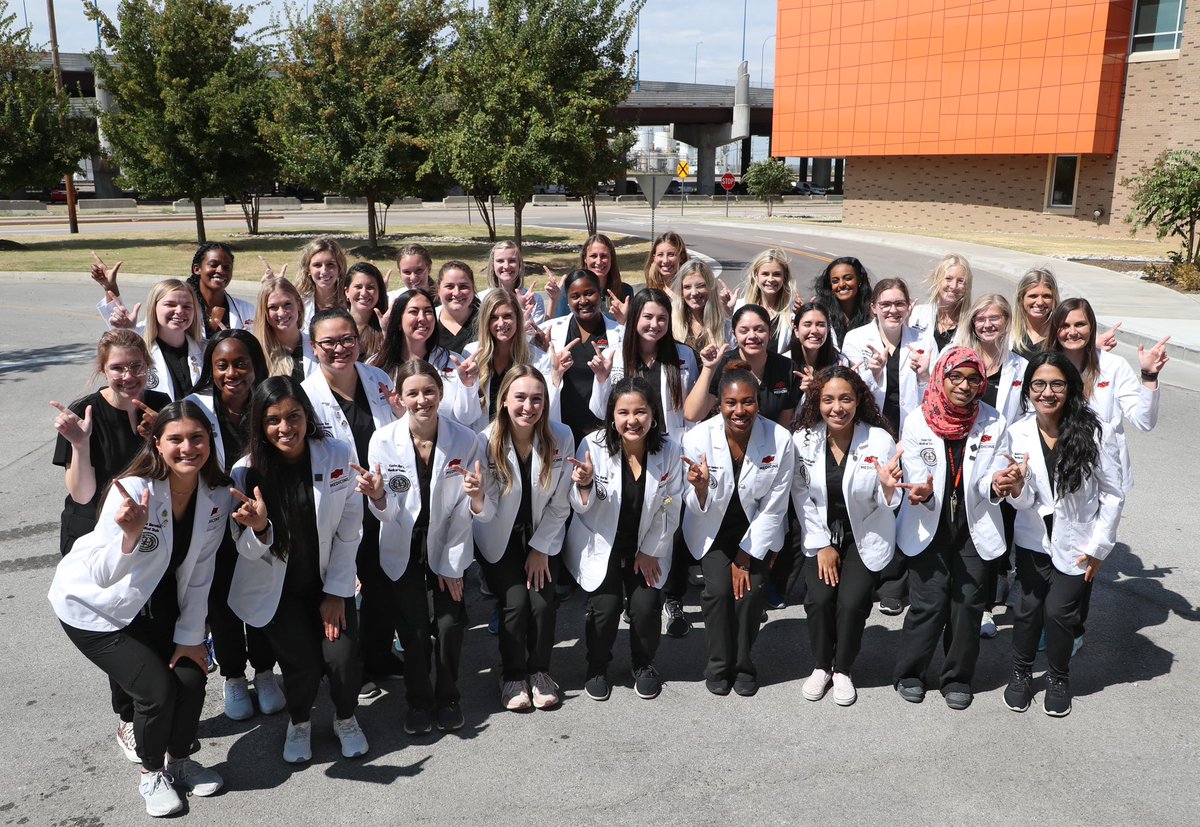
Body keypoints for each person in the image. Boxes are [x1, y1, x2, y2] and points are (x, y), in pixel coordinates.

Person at [49, 401, 232, 816]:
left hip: (156, 606)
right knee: (155, 690)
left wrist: (190, 638)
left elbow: (201, 570)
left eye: (197, 438)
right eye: (176, 439)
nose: (188, 447)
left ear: (210, 441)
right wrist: (129, 537)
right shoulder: (132, 489)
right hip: (96, 610)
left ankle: (178, 762)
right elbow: (100, 573)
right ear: (157, 443)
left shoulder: (216, 495)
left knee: (191, 677)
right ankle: (152, 773)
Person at [226, 377, 369, 763]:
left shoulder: (337, 454)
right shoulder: (245, 472)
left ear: (307, 415)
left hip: (327, 581)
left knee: (341, 657)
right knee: (301, 662)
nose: (285, 427)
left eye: (293, 416)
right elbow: (245, 549)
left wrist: (336, 592)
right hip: (279, 591)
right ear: (260, 425)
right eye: (273, 420)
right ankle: (300, 721)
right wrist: (260, 528)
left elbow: (349, 528)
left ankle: (345, 717)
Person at [50, 329, 172, 764]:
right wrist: (79, 444)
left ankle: (153, 705)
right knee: (117, 625)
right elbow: (82, 493)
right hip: (96, 539)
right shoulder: (84, 413)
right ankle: (127, 718)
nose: (128, 375)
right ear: (103, 369)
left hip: (149, 531)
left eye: (136, 366)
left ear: (148, 366)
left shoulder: (161, 407)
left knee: (152, 618)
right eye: (118, 367)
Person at [362, 360, 491, 734]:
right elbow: (387, 514)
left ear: (441, 392)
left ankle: (448, 696)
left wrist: (450, 566)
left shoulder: (465, 440)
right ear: (399, 398)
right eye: (413, 393)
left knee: (450, 624)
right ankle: (418, 700)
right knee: (414, 630)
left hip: (448, 540)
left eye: (429, 391)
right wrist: (378, 497)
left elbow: (465, 510)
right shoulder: (383, 440)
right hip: (402, 544)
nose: (422, 400)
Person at [892, 347, 1022, 710]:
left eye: (973, 379)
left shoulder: (993, 421)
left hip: (973, 524)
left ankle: (957, 677)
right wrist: (922, 492)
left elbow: (993, 471)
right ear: (941, 377)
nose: (964, 386)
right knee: (929, 604)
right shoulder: (919, 420)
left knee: (968, 606)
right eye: (956, 377)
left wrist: (996, 483)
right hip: (929, 523)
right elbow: (917, 473)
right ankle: (910, 673)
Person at [1003, 352, 1124, 717]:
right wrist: (1017, 487)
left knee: (1058, 613)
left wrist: (1100, 546)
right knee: (1027, 610)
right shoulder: (1017, 432)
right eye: (1039, 384)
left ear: (1070, 388)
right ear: (1028, 390)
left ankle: (1058, 677)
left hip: (1078, 542)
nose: (1047, 392)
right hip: (1033, 539)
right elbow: (1023, 502)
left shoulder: (1095, 431)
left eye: (1057, 384)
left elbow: (1113, 493)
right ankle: (1021, 673)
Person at [302, 309, 405, 698]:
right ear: (314, 347)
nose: (340, 348)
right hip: (337, 505)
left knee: (382, 585)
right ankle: (350, 667)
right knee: (343, 585)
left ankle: (379, 657)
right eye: (329, 342)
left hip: (381, 498)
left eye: (347, 339)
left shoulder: (378, 380)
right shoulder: (306, 397)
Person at [184, 330, 283, 721]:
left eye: (241, 363)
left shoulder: (268, 402)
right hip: (211, 525)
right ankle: (234, 677)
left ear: (256, 365)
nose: (232, 373)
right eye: (221, 365)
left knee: (259, 592)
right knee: (222, 603)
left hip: (260, 519)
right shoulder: (195, 408)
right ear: (210, 369)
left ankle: (265, 671)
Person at [566, 377, 685, 701]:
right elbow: (578, 506)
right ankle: (597, 666)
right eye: (624, 412)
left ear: (653, 414)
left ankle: (643, 663)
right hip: (602, 543)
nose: (632, 420)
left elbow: (671, 503)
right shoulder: (592, 446)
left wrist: (650, 551)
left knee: (646, 607)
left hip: (646, 544)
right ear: (612, 416)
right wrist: (585, 484)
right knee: (605, 608)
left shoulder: (670, 450)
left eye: (640, 411)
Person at [681, 362, 795, 697]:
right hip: (712, 530)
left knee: (750, 592)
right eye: (731, 403)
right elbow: (691, 503)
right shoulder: (697, 437)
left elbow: (775, 505)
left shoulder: (780, 439)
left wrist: (745, 558)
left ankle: (743, 665)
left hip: (756, 531)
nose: (739, 410)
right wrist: (701, 489)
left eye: (748, 402)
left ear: (758, 402)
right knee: (718, 592)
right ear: (720, 404)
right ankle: (719, 665)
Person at [792, 366, 902, 706]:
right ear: (817, 401)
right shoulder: (803, 439)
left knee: (852, 603)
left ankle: (842, 669)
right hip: (820, 533)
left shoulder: (878, 440)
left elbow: (891, 499)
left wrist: (888, 489)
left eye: (845, 399)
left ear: (858, 401)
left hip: (864, 533)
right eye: (828, 400)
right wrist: (822, 544)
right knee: (819, 600)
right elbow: (800, 495)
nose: (837, 408)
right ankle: (822, 665)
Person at [476, 366, 574, 710]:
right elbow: (486, 511)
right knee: (516, 603)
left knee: (543, 603)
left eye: (537, 399)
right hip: (499, 537)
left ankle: (540, 672)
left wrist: (540, 549)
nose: (528, 407)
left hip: (542, 533)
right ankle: (512, 674)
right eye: (520, 397)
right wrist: (476, 498)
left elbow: (561, 503)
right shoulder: (485, 441)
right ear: (504, 400)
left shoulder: (561, 436)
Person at [952, 294, 1029, 636]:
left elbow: (1028, 416)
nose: (987, 325)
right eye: (980, 319)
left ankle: (983, 605)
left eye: (994, 318)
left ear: (1007, 321)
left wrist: (1018, 460)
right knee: (964, 529)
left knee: (999, 530)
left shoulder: (1020, 367)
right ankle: (962, 597)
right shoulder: (958, 357)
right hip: (963, 457)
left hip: (1002, 459)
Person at [589, 288, 699, 438]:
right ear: (634, 317)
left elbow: (693, 408)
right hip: (630, 443)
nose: (654, 324)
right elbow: (601, 412)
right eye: (648, 317)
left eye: (662, 318)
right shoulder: (612, 356)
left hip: (672, 444)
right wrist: (602, 379)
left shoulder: (685, 354)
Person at [534, 269, 623, 444]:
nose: (583, 301)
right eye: (575, 296)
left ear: (600, 294)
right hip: (562, 428)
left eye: (589, 293)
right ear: (567, 300)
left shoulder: (619, 333)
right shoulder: (550, 331)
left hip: (603, 429)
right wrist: (544, 354)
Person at [372, 288, 479, 426]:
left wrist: (468, 386)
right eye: (413, 312)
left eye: (428, 311)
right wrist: (399, 414)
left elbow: (467, 418)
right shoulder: (376, 367)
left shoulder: (454, 363)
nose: (422, 318)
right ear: (398, 321)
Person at [684, 304, 802, 427]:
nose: (752, 336)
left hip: (768, 438)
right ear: (734, 335)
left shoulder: (786, 367)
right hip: (724, 437)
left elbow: (783, 425)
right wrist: (708, 368)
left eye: (759, 330)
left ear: (770, 333)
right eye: (744, 331)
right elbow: (692, 415)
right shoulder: (720, 364)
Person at [100, 278, 205, 401]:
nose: (180, 311)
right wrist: (127, 331)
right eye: (170, 304)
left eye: (187, 306)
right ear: (153, 307)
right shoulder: (140, 351)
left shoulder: (206, 350)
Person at [463, 290, 554, 430]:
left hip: (521, 437)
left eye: (507, 316)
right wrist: (468, 385)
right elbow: (465, 415)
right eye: (494, 318)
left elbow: (547, 410)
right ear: (486, 321)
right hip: (481, 438)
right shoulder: (471, 354)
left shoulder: (539, 359)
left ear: (518, 318)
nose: (501, 323)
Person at [547, 233, 633, 319]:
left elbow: (632, 326)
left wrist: (625, 319)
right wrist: (553, 300)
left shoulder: (625, 291)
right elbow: (553, 325)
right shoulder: (570, 290)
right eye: (593, 256)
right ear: (585, 258)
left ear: (611, 258)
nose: (599, 261)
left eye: (604, 256)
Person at [254, 276, 317, 381]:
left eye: (287, 304)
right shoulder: (257, 353)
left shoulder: (317, 346)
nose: (281, 313)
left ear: (298, 304)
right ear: (264, 311)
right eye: (273, 307)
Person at [186, 243, 256, 336]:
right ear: (197, 269)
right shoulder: (182, 308)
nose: (220, 270)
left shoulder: (247, 310)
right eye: (213, 265)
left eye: (226, 267)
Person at [908, 254, 973, 350]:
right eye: (948, 279)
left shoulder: (971, 324)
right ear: (937, 280)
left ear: (967, 287)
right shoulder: (917, 314)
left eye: (960, 281)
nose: (953, 286)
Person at [738, 249, 796, 353]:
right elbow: (732, 345)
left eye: (776, 274)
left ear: (784, 277)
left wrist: (801, 318)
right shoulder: (740, 306)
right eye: (765, 274)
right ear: (756, 276)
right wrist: (728, 314)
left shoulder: (793, 310)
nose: (771, 279)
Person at [789, 300, 845, 404]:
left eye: (820, 325)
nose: (814, 330)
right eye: (807, 324)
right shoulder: (783, 363)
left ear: (828, 330)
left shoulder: (840, 363)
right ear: (796, 331)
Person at [479, 240, 546, 324]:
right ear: (493, 265)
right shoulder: (480, 300)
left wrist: (525, 311)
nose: (506, 266)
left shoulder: (534, 299)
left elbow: (536, 331)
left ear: (519, 264)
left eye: (512, 261)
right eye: (500, 261)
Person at [672, 259, 731, 353]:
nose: (694, 292)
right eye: (687, 287)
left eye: (700, 286)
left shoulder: (726, 327)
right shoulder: (671, 323)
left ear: (710, 288)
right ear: (681, 291)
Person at [812, 256, 874, 344]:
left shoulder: (873, 311)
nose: (841, 284)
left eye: (848, 278)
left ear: (859, 280)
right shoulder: (823, 311)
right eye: (835, 281)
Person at [343, 262, 389, 362]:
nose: (364, 293)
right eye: (358, 287)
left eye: (370, 287)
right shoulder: (335, 324)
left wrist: (387, 333)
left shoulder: (386, 327)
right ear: (347, 292)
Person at [294, 236, 348, 319]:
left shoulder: (350, 301)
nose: (324, 271)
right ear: (308, 270)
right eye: (317, 265)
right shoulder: (299, 303)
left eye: (330, 264)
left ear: (339, 268)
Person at [1010, 267, 1059, 358]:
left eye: (1046, 296)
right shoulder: (1009, 336)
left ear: (1054, 300)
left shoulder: (1061, 335)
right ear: (1021, 299)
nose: (1040, 302)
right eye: (1033, 296)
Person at [436, 260, 481, 354]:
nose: (456, 293)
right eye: (449, 286)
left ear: (473, 288)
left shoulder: (486, 321)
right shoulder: (429, 322)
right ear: (438, 289)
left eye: (463, 286)